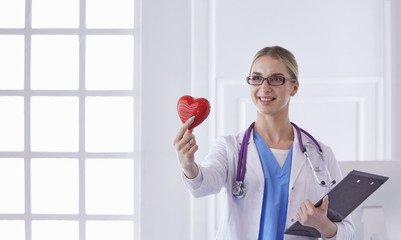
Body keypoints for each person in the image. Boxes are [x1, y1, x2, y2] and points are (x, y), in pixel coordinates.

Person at [172, 46, 355, 240]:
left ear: (294, 87)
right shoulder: (230, 148)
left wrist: (323, 225)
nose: (264, 87)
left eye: (276, 79)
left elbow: (349, 233)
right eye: (257, 78)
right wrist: (188, 165)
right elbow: (203, 184)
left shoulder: (321, 154)